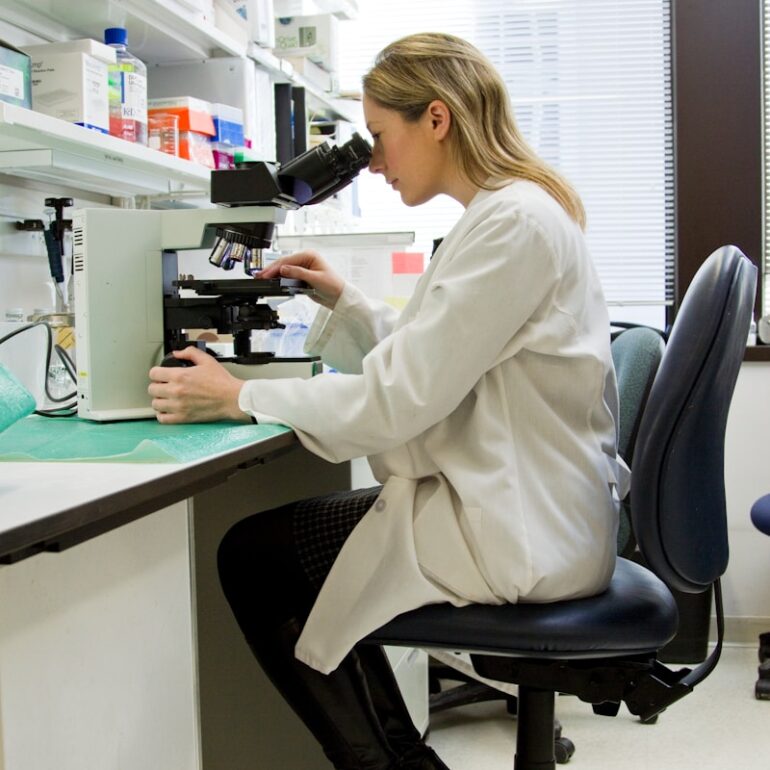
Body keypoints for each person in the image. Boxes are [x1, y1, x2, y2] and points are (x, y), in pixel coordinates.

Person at [148, 31, 628, 770]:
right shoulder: (510, 213)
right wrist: (348, 301)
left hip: (517, 525)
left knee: (255, 557)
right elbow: (441, 357)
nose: (372, 159)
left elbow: (398, 400)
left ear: (436, 119)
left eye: (379, 135)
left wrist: (237, 394)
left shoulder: (511, 223)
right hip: (519, 502)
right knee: (295, 559)